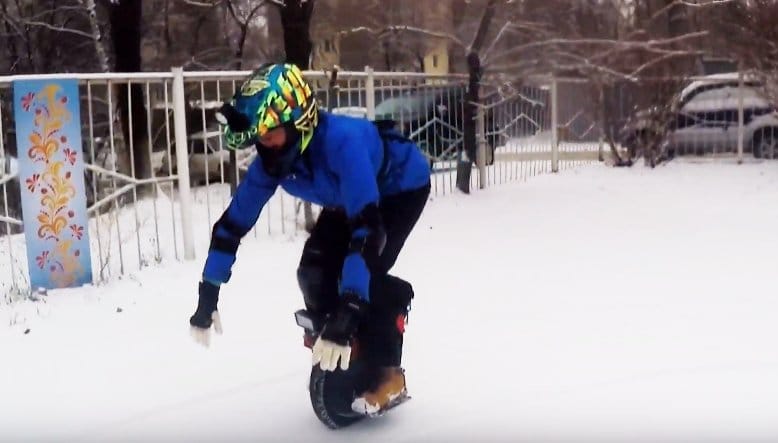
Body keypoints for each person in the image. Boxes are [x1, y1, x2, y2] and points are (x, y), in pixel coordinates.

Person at [188, 63, 431, 415]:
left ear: (298, 121)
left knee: (366, 275)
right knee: (314, 269)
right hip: (347, 197)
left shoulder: (342, 145)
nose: (264, 145)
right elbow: (231, 225)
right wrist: (208, 290)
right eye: (259, 137)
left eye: (270, 134)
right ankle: (345, 343)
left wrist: (349, 305)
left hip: (398, 190)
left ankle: (386, 372)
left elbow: (367, 232)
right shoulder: (274, 160)